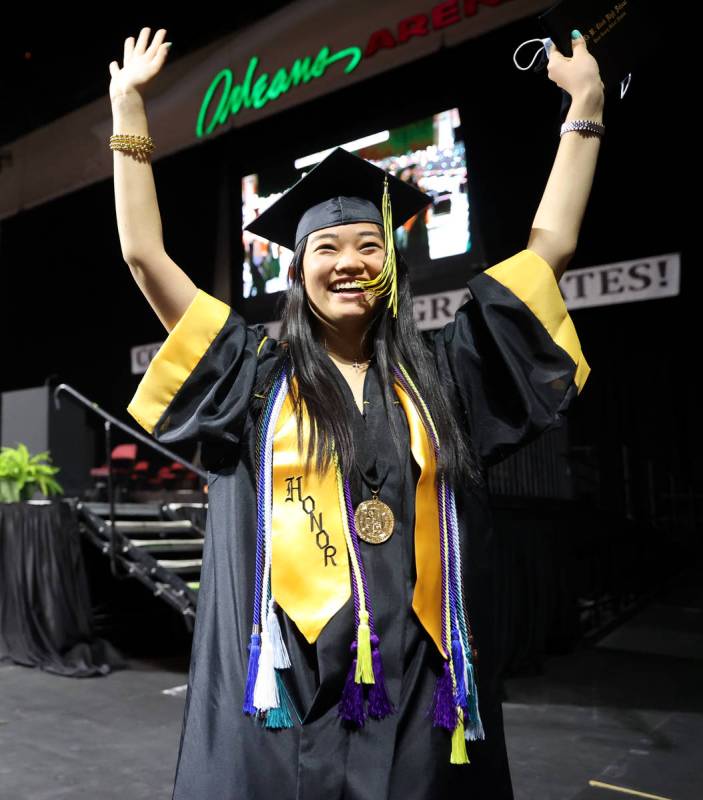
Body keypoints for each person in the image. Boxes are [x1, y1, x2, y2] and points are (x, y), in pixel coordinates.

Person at [111, 26, 604, 800]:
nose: (349, 263)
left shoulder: (445, 372)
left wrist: (585, 108)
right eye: (327, 248)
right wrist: (127, 110)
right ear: (297, 268)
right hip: (281, 685)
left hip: (415, 682)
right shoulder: (247, 375)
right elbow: (146, 257)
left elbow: (550, 250)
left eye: (369, 246)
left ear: (393, 266)